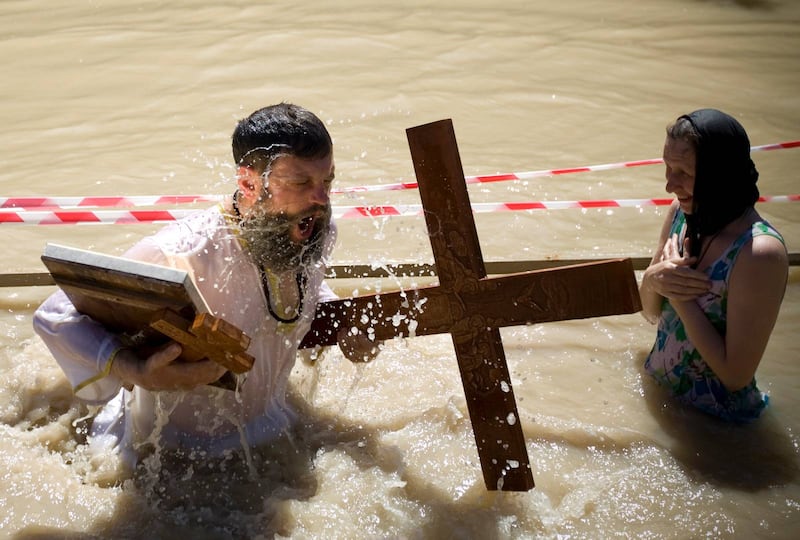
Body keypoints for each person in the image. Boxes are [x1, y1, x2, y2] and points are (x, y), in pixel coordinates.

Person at [33, 103, 379, 468]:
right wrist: (133, 369)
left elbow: (299, 296)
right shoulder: (182, 251)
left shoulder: (313, 230)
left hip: (275, 427)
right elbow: (54, 314)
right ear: (248, 183)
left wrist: (341, 325)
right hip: (174, 454)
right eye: (300, 183)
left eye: (328, 181)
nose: (322, 199)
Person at [639, 108, 788, 422]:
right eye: (667, 167)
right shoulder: (680, 212)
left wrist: (681, 298)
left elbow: (735, 375)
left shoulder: (758, 253)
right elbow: (650, 312)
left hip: (717, 427)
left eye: (685, 173)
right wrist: (654, 279)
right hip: (660, 398)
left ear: (720, 176)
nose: (670, 185)